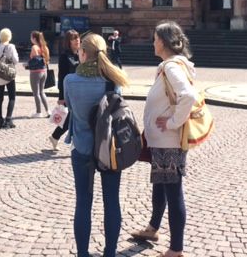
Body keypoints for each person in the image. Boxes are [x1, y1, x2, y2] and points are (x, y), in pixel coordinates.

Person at [131, 21, 197, 257]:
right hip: (161, 141)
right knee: (160, 184)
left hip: (168, 142)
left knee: (173, 191)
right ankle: (153, 228)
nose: (153, 42)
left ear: (163, 42)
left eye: (155, 38)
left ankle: (176, 249)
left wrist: (171, 123)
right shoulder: (170, 66)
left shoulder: (171, 67)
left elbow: (188, 96)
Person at [64, 33, 129, 257]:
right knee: (112, 201)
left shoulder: (70, 81)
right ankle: (110, 252)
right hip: (109, 148)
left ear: (83, 53)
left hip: (82, 148)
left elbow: (70, 108)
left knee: (83, 202)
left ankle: (83, 253)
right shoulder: (113, 80)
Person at [48, 29, 80, 151]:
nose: (77, 40)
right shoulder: (64, 56)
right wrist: (61, 96)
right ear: (68, 42)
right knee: (73, 118)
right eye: (74, 38)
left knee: (73, 118)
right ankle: (74, 143)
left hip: (79, 91)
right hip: (69, 92)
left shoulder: (80, 54)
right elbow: (61, 77)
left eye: (78, 38)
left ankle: (55, 137)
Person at [0, 28, 19, 129]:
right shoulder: (11, 46)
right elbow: (16, 61)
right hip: (8, 75)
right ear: (9, 36)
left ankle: (0, 121)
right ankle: (8, 120)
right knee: (12, 97)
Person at [27, 30, 50, 118]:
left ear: (34, 38)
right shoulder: (45, 47)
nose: (30, 39)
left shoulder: (34, 47)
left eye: (31, 37)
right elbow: (46, 60)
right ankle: (48, 111)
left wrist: (27, 64)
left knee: (36, 93)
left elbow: (36, 60)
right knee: (42, 92)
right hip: (44, 71)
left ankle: (39, 112)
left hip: (35, 73)